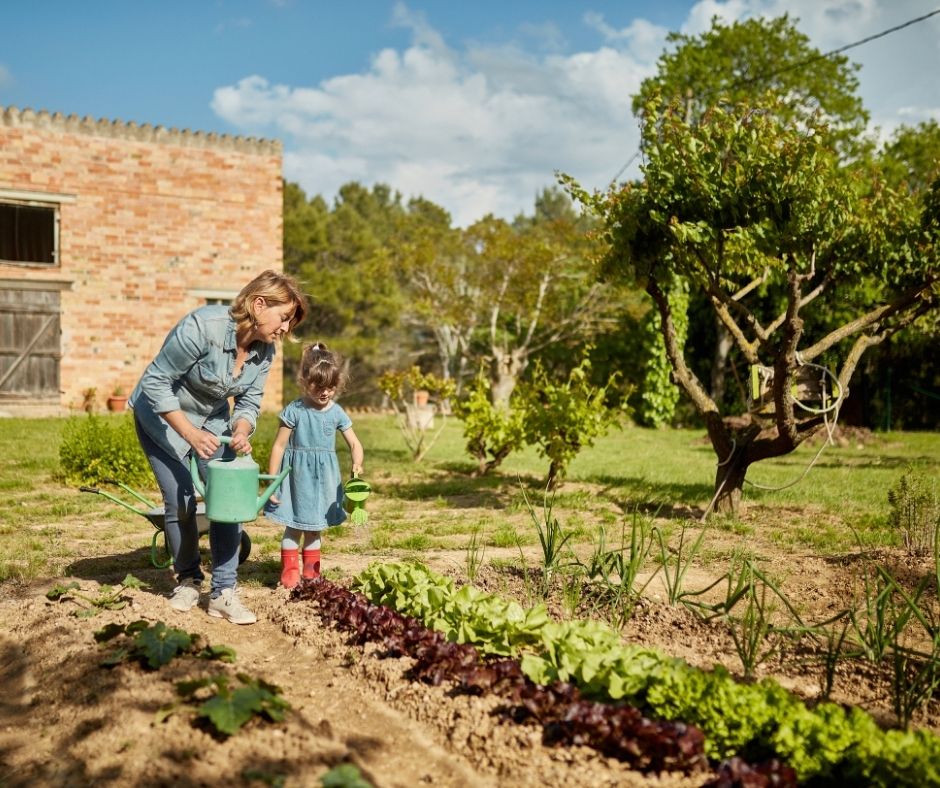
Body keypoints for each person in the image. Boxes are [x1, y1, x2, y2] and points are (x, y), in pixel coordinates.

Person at [129, 270, 308, 624]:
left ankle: (224, 591)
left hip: (211, 422)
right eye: (284, 317)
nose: (286, 329)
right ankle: (189, 580)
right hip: (162, 416)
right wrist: (190, 435)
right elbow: (155, 381)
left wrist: (241, 430)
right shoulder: (202, 326)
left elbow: (249, 403)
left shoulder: (264, 353)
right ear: (258, 304)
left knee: (230, 495)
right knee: (179, 498)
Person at [265, 342, 364, 588]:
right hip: (296, 478)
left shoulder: (336, 412)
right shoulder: (295, 410)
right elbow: (278, 446)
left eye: (330, 387)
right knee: (293, 526)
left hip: (324, 480)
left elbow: (355, 443)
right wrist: (272, 481)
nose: (324, 392)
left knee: (314, 529)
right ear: (304, 380)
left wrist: (357, 464)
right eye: (318, 386)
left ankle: (311, 572)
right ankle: (290, 571)